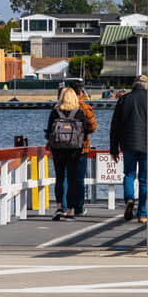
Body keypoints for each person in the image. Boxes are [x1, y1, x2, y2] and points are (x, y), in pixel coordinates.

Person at [45, 85, 96, 220]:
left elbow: (49, 130)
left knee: (60, 178)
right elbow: (85, 131)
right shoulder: (78, 112)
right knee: (72, 179)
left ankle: (58, 208)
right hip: (75, 150)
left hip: (58, 150)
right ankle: (70, 210)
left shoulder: (55, 111)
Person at [110, 74, 148, 223]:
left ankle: (129, 198)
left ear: (134, 85)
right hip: (147, 144)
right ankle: (142, 213)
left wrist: (113, 149)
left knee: (129, 174)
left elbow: (114, 126)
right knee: (144, 180)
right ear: (146, 85)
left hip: (127, 144)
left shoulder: (123, 99)